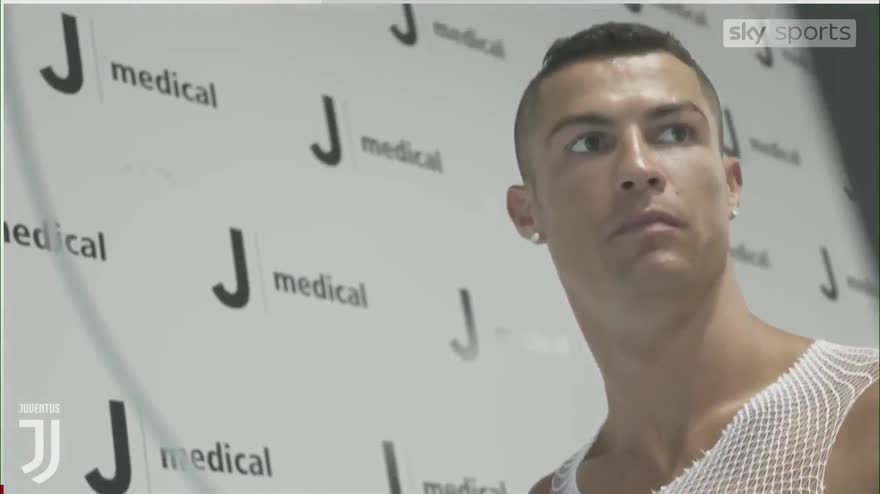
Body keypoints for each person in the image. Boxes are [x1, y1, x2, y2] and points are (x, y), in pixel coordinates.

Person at [506, 22, 879, 494]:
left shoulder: (867, 412)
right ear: (527, 212)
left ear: (732, 184)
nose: (639, 168)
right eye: (589, 143)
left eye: (675, 132)